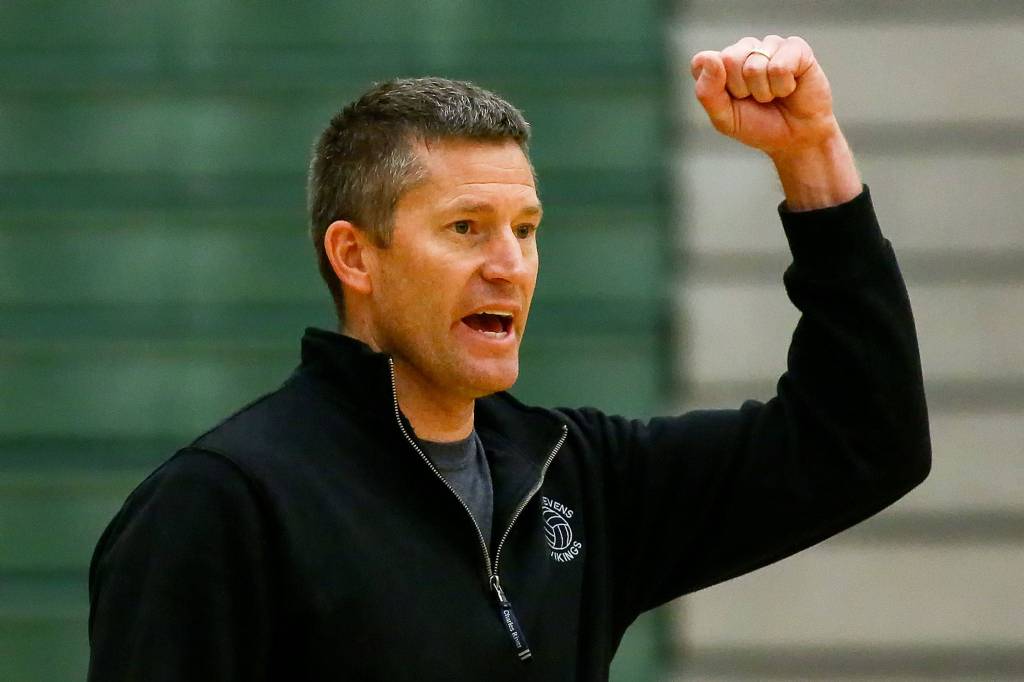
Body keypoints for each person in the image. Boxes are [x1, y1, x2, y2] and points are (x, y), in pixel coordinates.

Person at [87, 35, 931, 681]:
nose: (509, 265)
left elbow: (861, 442)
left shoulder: (577, 475)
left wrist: (809, 153)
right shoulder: (224, 504)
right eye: (465, 229)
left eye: (525, 230)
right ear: (355, 257)